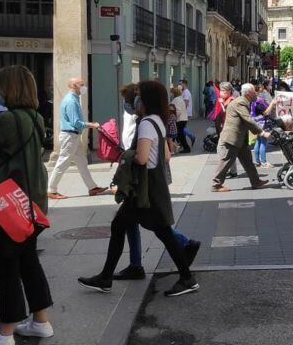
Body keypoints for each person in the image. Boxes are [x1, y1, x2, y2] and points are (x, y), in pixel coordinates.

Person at [78, 81, 202, 297]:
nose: (137, 100)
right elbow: (165, 155)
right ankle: (108, 276)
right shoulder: (158, 121)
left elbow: (142, 158)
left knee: (143, 229)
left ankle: (186, 278)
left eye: (139, 96)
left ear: (146, 100)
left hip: (144, 189)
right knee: (150, 230)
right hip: (153, 186)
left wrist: (128, 156)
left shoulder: (145, 123)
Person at [0, 65, 55, 345]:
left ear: (8, 89)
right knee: (29, 261)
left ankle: (5, 334)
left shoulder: (6, 121)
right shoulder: (35, 118)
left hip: (8, 205)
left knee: (7, 267)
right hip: (32, 204)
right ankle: (40, 321)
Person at [46, 78, 107, 200]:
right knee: (63, 162)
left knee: (82, 162)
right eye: (81, 85)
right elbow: (76, 122)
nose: (84, 87)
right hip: (70, 136)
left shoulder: (73, 99)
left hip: (73, 136)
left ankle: (92, 187)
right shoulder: (71, 101)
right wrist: (92, 124)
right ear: (74, 86)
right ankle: (51, 190)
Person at [212, 83, 274, 192]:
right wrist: (262, 133)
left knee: (248, 161)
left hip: (240, 139)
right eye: (254, 92)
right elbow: (247, 119)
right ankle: (216, 185)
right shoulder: (240, 102)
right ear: (249, 93)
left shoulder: (244, 101)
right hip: (232, 138)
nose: (256, 93)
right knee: (226, 161)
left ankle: (256, 182)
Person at [251, 82, 274, 168]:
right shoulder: (259, 101)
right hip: (262, 123)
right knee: (263, 142)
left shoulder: (253, 101)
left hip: (256, 122)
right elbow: (266, 112)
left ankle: (257, 161)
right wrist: (272, 104)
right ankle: (263, 162)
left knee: (258, 141)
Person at [170, 87, 192, 153]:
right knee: (178, 134)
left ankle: (186, 148)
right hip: (183, 119)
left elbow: (178, 110)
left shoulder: (176, 100)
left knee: (176, 134)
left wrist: (174, 118)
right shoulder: (180, 99)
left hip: (179, 119)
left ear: (174, 93)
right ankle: (173, 147)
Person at [178, 79, 196, 150]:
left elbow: (186, 103)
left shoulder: (186, 92)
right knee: (182, 128)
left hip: (185, 113)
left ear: (184, 84)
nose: (179, 85)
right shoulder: (184, 92)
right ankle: (182, 141)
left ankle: (192, 136)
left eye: (180, 84)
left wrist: (181, 112)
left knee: (181, 128)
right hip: (185, 112)